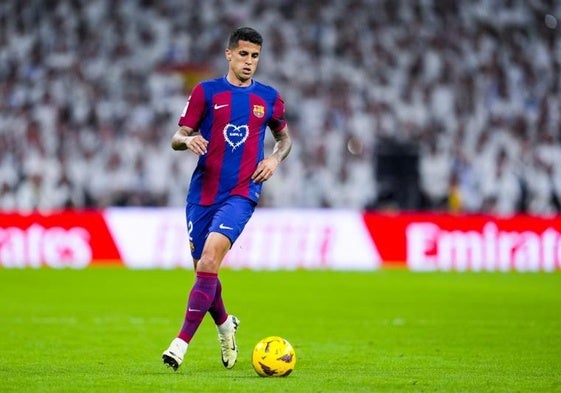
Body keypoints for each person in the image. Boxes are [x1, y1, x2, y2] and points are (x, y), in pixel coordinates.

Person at [162, 27, 292, 371]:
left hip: (242, 192)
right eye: (244, 54)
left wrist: (274, 159)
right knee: (206, 272)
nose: (250, 62)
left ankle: (180, 344)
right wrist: (186, 142)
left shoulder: (268, 97)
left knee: (208, 262)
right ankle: (224, 325)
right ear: (229, 54)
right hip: (202, 194)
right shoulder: (206, 92)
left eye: (255, 56)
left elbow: (285, 139)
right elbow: (177, 137)